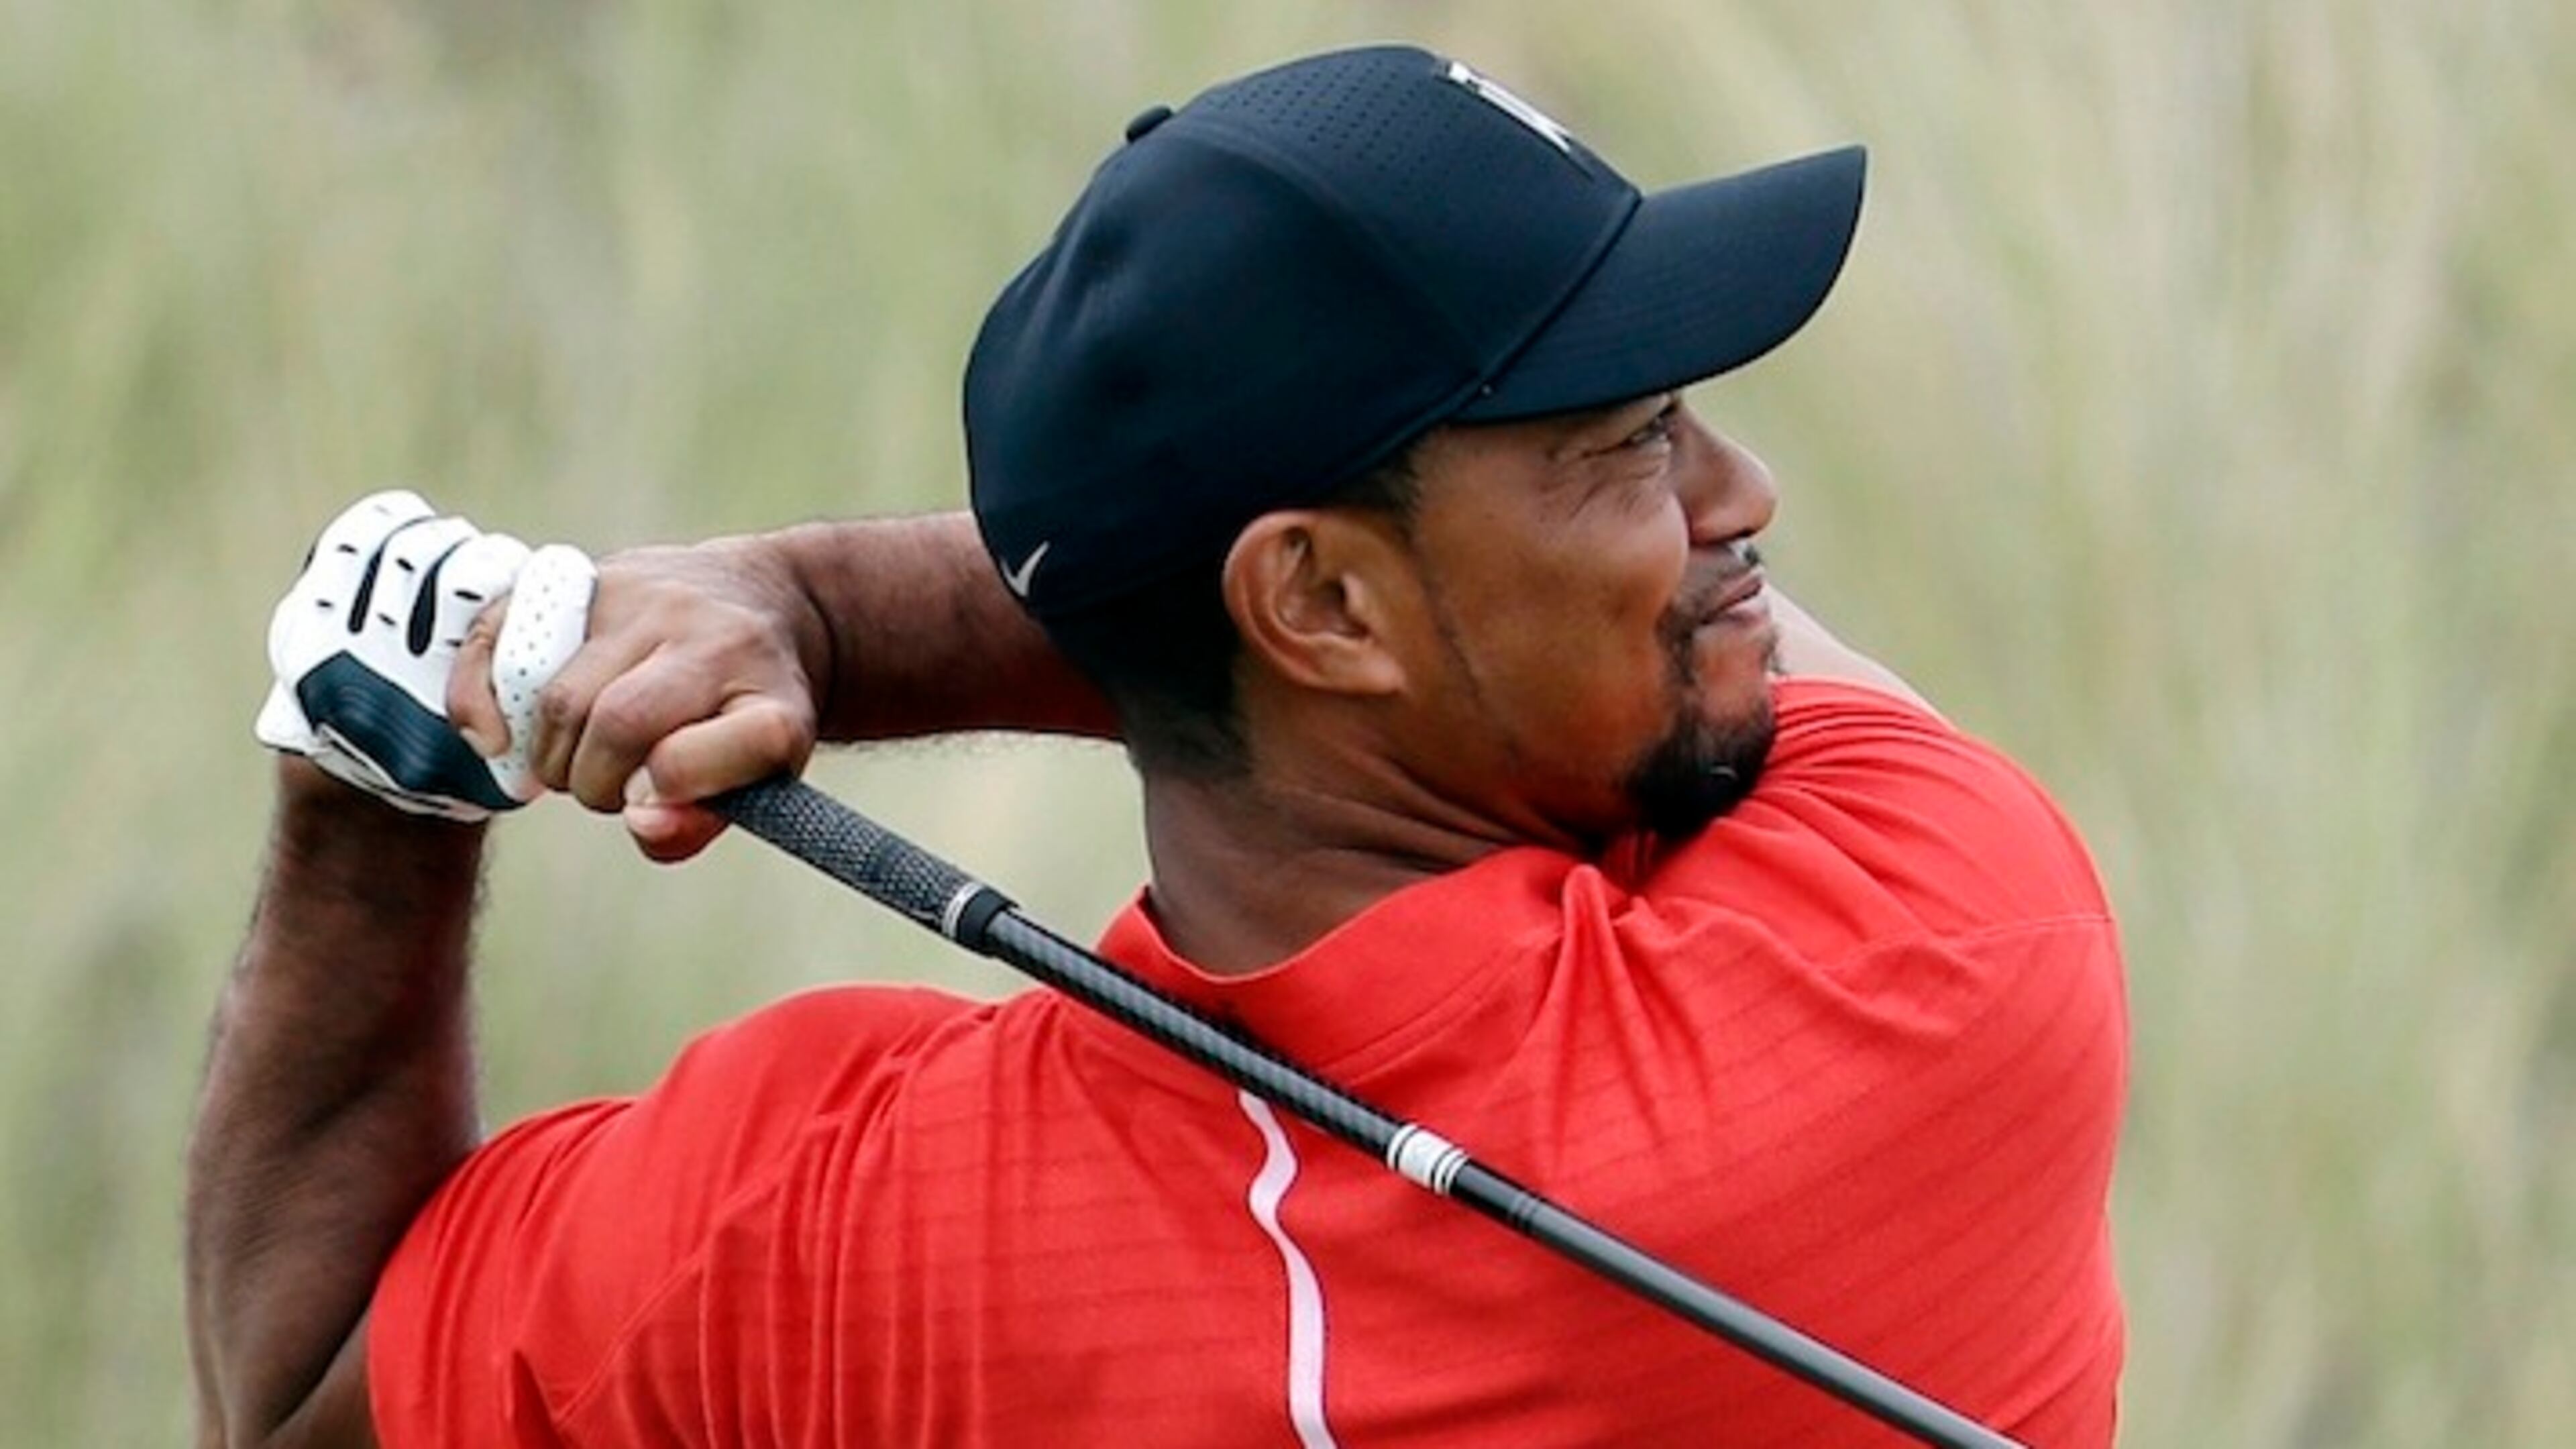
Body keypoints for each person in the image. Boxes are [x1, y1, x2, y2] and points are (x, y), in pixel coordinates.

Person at [186, 44, 2126, 1448]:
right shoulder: (1922, 956)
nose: (1739, 495)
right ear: (1326, 610)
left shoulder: (819, 1235)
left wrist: (376, 792)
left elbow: (297, 1394)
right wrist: (814, 612)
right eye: (1627, 445)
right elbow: (1736, 667)